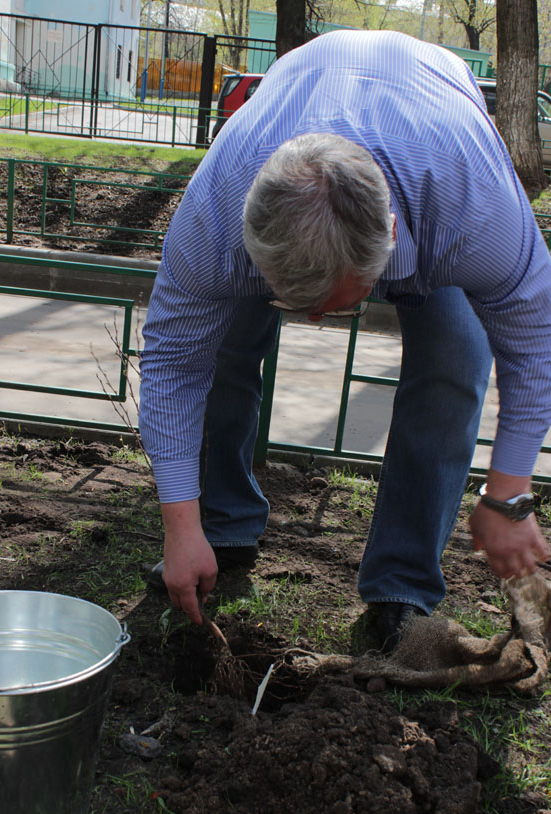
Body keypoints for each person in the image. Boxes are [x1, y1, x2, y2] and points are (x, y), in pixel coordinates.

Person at [139, 29, 551, 649]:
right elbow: (172, 363)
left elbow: (535, 347)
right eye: (291, 300)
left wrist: (509, 493)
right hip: (297, 96)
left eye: (337, 303)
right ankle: (219, 530)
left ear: (389, 238)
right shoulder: (215, 212)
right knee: (221, 346)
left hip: (428, 130)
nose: (311, 324)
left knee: (454, 360)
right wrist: (179, 525)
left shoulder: (475, 207)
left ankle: (401, 592)